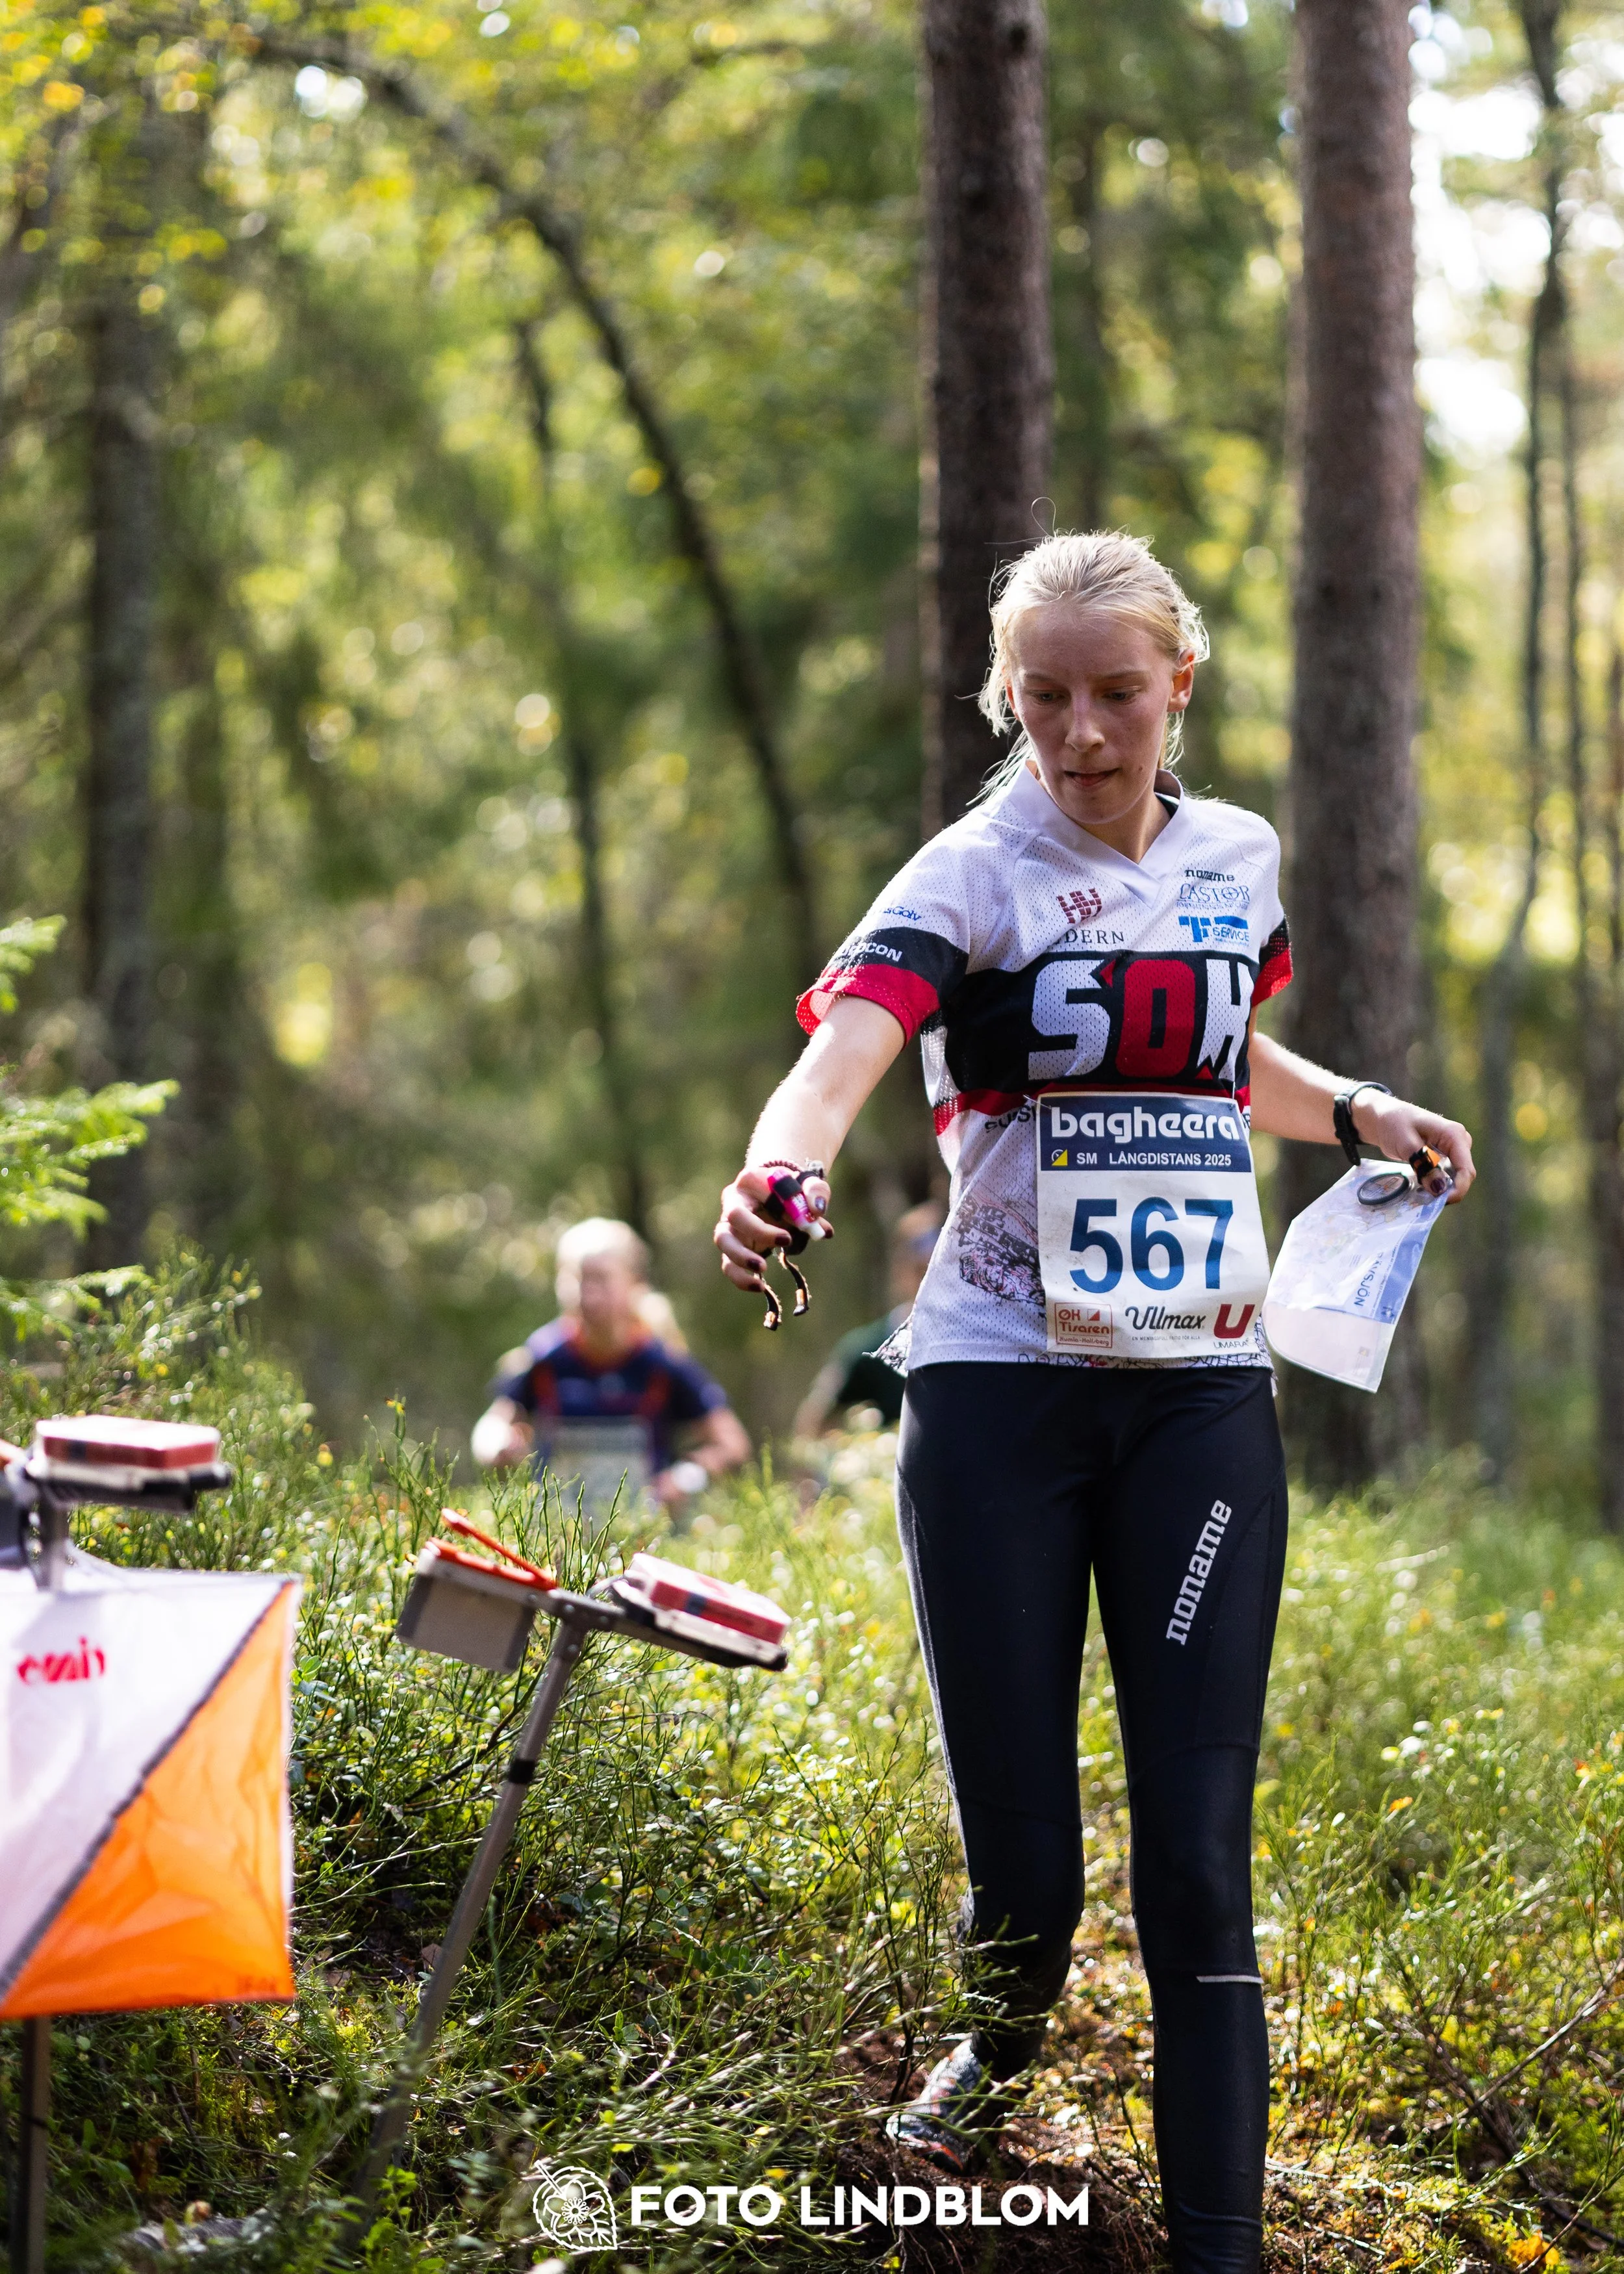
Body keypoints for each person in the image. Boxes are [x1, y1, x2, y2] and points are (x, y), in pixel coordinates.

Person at [713, 531, 1473, 2274]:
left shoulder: (1235, 856)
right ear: (1005, 694)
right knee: (1030, 1880)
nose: (1075, 730)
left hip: (1196, 1401)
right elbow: (844, 1047)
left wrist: (1359, 1112)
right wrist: (777, 1166)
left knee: (1199, 1872)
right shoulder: (971, 871)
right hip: (994, 1404)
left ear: (1175, 687)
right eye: (1040, 696)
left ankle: (1219, 2249)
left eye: (1112, 693)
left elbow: (1216, 1050)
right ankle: (985, 2068)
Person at [473, 1218, 750, 1514]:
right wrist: (498, 1444)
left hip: (644, 1534)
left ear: (635, 1283)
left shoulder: (662, 1362)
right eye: (577, 1279)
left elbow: (733, 1445)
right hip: (557, 1535)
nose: (587, 1293)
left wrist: (687, 1478)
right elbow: (491, 1427)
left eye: (601, 1279)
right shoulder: (543, 1356)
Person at [793, 1200, 944, 1435]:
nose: (927, 1283)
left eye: (938, 1272)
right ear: (899, 1271)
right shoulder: (867, 1352)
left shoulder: (985, 1347)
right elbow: (813, 1425)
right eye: (921, 1271)